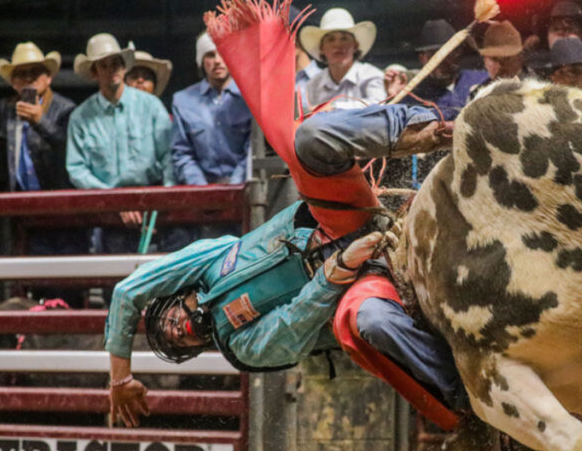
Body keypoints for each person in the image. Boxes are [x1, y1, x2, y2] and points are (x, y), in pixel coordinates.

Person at [106, 103, 459, 430]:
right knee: (376, 325)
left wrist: (120, 379)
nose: (178, 331)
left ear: (175, 300)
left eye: (169, 324)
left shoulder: (210, 260)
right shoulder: (241, 348)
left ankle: (434, 129)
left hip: (336, 220)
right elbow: (293, 324)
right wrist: (336, 272)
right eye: (179, 343)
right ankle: (467, 398)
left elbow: (126, 291)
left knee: (310, 137)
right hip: (355, 286)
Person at [66, 33, 174, 253]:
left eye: (116, 63)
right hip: (107, 212)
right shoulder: (80, 117)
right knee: (112, 280)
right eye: (104, 65)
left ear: (124, 67)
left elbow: (170, 156)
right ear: (94, 73)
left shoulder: (151, 106)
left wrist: (162, 203)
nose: (112, 69)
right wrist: (114, 200)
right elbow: (76, 169)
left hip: (154, 207)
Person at [0, 42, 75, 192]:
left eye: (35, 72)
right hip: (20, 201)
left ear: (48, 78)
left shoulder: (65, 109)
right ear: (13, 83)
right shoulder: (7, 109)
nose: (28, 78)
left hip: (55, 200)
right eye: (21, 74)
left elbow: (70, 147)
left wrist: (41, 121)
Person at [171, 32, 254, 188]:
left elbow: (252, 150)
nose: (217, 61)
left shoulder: (250, 98)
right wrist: (202, 189)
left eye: (223, 54)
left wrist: (235, 184)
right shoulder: (183, 101)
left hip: (244, 189)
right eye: (210, 55)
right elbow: (181, 152)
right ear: (201, 61)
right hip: (200, 193)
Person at [386, 19, 488, 121]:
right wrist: (393, 96)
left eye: (446, 53)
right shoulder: (414, 96)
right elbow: (392, 126)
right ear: (422, 58)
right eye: (433, 55)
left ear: (458, 52)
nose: (441, 61)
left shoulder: (482, 80)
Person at [301, 7, 387, 110]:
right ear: (322, 47)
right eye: (331, 39)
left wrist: (334, 107)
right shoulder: (314, 85)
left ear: (355, 45)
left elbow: (379, 105)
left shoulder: (370, 75)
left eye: (344, 38)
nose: (338, 45)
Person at [468, 20, 527, 99]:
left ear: (517, 59)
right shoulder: (478, 94)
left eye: (504, 60)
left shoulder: (536, 90)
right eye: (492, 58)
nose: (496, 65)